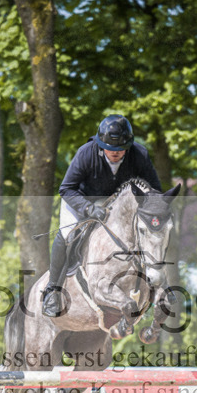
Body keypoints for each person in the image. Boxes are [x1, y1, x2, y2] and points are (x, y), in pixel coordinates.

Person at [42, 114, 163, 317]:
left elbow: (155, 191)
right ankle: (53, 289)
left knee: (149, 233)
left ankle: (153, 281)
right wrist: (88, 209)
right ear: (100, 144)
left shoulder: (139, 155)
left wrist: (157, 214)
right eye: (110, 149)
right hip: (81, 200)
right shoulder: (86, 153)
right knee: (67, 233)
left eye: (120, 149)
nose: (115, 153)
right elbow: (66, 189)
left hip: (116, 205)